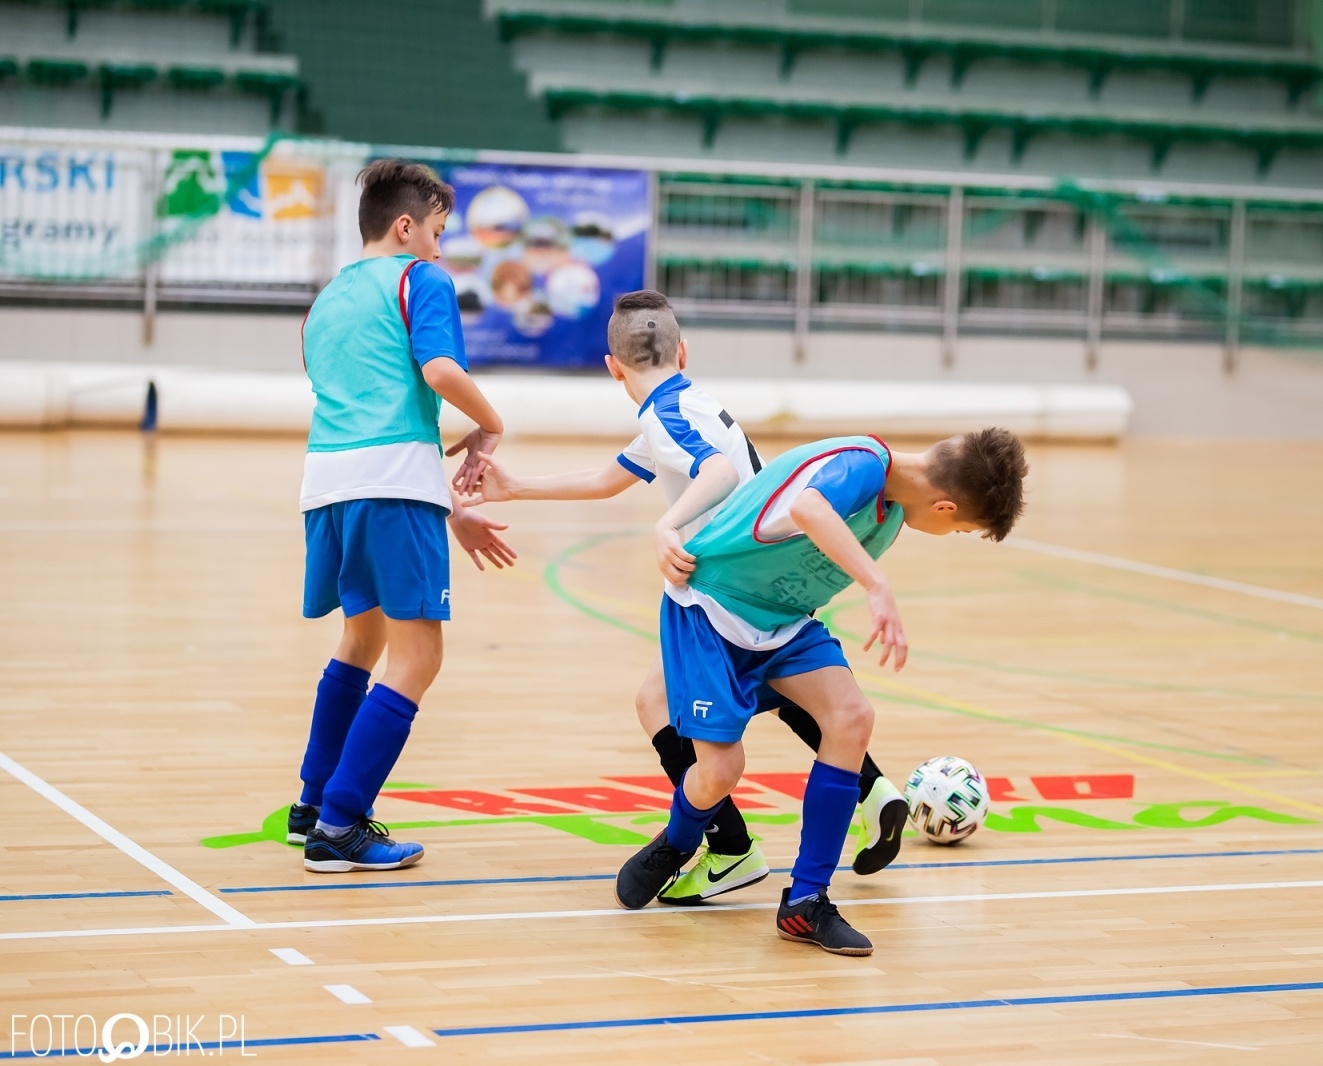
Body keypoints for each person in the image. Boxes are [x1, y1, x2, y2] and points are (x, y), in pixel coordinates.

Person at [464, 291, 910, 904]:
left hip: (728, 593)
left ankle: (730, 848)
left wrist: (667, 526)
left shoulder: (665, 417)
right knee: (778, 693)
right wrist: (515, 488)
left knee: (665, 706)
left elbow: (717, 474)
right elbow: (607, 479)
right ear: (683, 352)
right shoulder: (690, 405)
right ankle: (871, 789)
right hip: (769, 582)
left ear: (611, 367)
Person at [613, 426, 1028, 955]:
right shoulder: (862, 462)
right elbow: (809, 507)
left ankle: (806, 901)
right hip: (711, 611)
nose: (950, 534)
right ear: (944, 507)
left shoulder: (893, 508)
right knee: (720, 771)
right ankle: (678, 840)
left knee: (852, 718)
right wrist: (877, 584)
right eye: (961, 529)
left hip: (782, 623)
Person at [291, 159, 515, 873]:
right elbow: (439, 373)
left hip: (327, 484)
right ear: (406, 226)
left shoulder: (325, 300)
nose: (441, 250)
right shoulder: (421, 279)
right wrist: (492, 423)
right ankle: (340, 825)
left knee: (361, 639)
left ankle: (312, 805)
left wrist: (439, 497)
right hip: (391, 488)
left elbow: (364, 404)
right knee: (418, 657)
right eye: (439, 233)